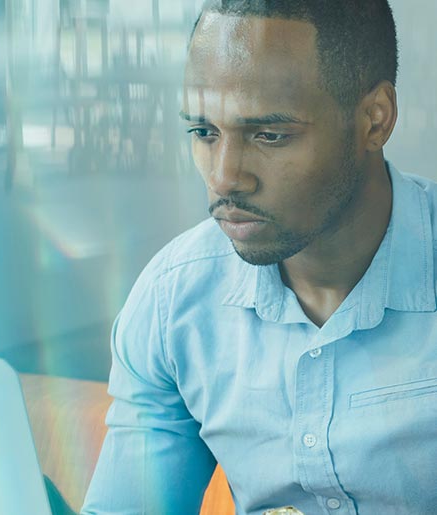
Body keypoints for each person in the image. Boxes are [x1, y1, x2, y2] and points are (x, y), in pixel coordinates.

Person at [81, 1, 437, 514]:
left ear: (374, 120)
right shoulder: (173, 300)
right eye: (204, 132)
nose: (225, 178)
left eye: (270, 135)